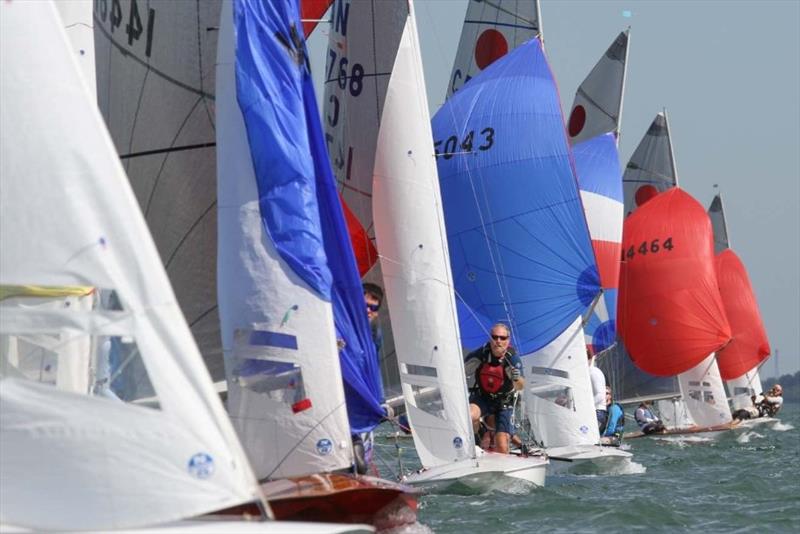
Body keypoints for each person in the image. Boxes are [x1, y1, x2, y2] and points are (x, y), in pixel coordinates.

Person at [464, 323, 524, 454]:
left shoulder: (512, 358)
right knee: (469, 416)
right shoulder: (482, 353)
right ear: (490, 339)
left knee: (502, 446)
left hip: (504, 402)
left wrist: (516, 378)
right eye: (495, 337)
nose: (498, 341)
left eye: (502, 338)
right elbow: (461, 370)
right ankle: (479, 437)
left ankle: (503, 465)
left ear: (508, 340)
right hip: (483, 397)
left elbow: (520, 386)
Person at [587, 349, 608, 433]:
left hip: (597, 413)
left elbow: (600, 395)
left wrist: (585, 407)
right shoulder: (587, 372)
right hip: (594, 412)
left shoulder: (593, 372)